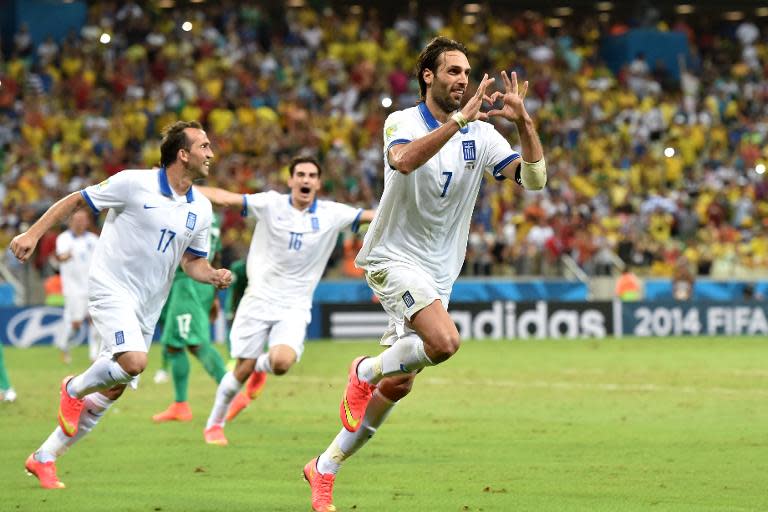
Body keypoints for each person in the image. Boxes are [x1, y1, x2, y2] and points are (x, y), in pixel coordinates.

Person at [303, 37, 547, 512]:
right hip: (392, 256)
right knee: (445, 343)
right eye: (453, 71)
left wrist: (524, 123)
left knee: (400, 384)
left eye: (467, 72)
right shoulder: (404, 121)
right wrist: (458, 122)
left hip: (439, 270)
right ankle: (363, 370)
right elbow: (403, 160)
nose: (463, 80)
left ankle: (325, 467)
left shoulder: (485, 134)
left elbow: (533, 181)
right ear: (428, 77)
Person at [10, 120, 232, 489]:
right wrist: (33, 233)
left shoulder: (202, 209)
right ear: (183, 154)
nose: (210, 153)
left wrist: (213, 275)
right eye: (204, 146)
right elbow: (77, 200)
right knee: (134, 362)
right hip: (110, 288)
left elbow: (192, 261)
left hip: (148, 304)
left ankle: (44, 457)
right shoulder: (133, 182)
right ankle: (73, 388)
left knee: (113, 388)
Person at [197, 156, 375, 447]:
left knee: (281, 363)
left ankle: (259, 368)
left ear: (318, 183)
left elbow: (372, 216)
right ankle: (214, 424)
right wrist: (179, 187)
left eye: (312, 175)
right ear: (290, 180)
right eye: (300, 174)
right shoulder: (270, 204)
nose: (305, 180)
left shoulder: (332, 213)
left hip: (294, 304)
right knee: (240, 369)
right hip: (258, 298)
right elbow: (226, 198)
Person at [151, 213, 229, 422]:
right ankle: (180, 405)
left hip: (188, 280)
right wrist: (214, 295)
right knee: (173, 344)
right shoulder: (209, 212)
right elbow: (217, 253)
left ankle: (231, 392)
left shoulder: (188, 208)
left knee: (195, 343)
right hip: (199, 281)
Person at [55, 209, 99, 363]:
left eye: (83, 219)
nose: (80, 222)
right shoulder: (64, 239)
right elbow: (60, 256)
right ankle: (64, 345)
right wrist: (66, 255)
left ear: (87, 222)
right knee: (75, 324)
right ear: (71, 221)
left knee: (96, 321)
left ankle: (94, 355)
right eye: (77, 219)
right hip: (73, 288)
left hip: (92, 286)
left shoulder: (94, 239)